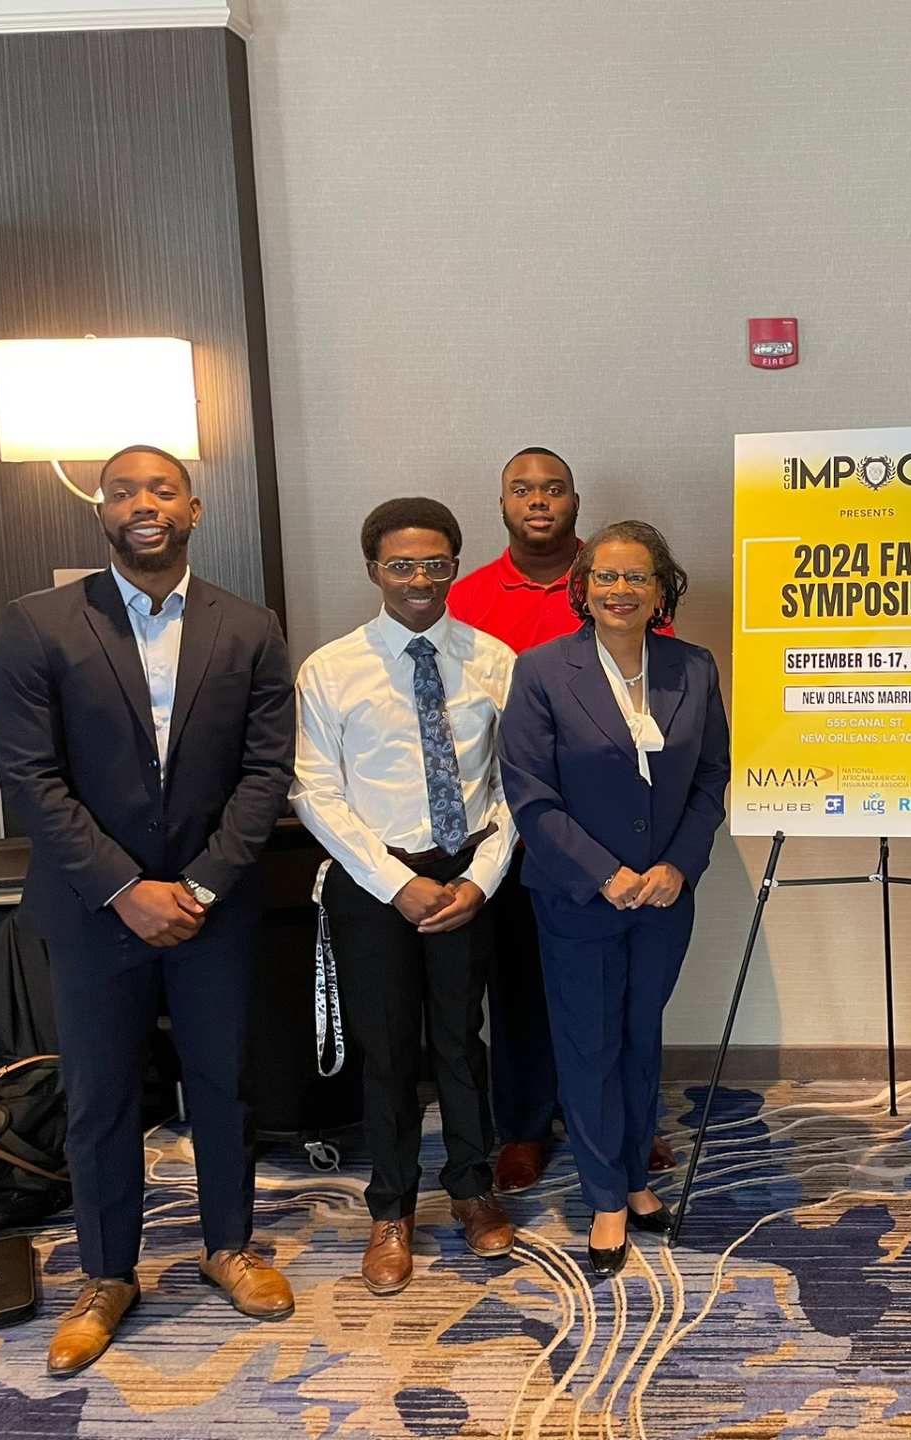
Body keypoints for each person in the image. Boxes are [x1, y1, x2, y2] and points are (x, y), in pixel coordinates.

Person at [0, 445, 296, 1377]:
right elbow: (30, 777)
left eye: (162, 489)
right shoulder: (39, 623)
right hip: (94, 909)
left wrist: (197, 886)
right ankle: (106, 1275)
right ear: (102, 512)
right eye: (123, 492)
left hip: (213, 907)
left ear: (194, 509)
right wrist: (124, 888)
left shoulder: (251, 627)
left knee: (224, 1083)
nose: (143, 504)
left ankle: (228, 1246)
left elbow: (266, 772)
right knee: (100, 1095)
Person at [291, 498, 518, 1294]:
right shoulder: (330, 669)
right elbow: (315, 792)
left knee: (461, 1042)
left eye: (435, 564)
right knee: (386, 1051)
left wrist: (479, 879)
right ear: (374, 571)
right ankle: (391, 1209)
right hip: (373, 882)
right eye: (401, 565)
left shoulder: (495, 660)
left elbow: (515, 786)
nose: (419, 579)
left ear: (454, 565)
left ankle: (472, 1187)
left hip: (465, 878)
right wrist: (397, 883)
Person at [498, 521, 728, 1276]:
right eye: (606, 576)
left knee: (640, 1034)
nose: (620, 590)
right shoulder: (542, 671)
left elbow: (711, 776)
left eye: (637, 577)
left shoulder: (693, 667)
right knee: (588, 1041)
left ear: (662, 590)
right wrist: (604, 874)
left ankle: (634, 1178)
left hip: (665, 896)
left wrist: (678, 866)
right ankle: (604, 1196)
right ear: (583, 587)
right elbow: (530, 793)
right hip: (578, 895)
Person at [447, 446, 678, 1190]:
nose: (538, 501)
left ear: (575, 500)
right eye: (522, 490)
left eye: (553, 489)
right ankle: (524, 1125)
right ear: (503, 504)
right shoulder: (469, 597)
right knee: (520, 985)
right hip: (513, 824)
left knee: (625, 993)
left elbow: (659, 699)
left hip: (620, 830)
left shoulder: (619, 579)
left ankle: (624, 1124)